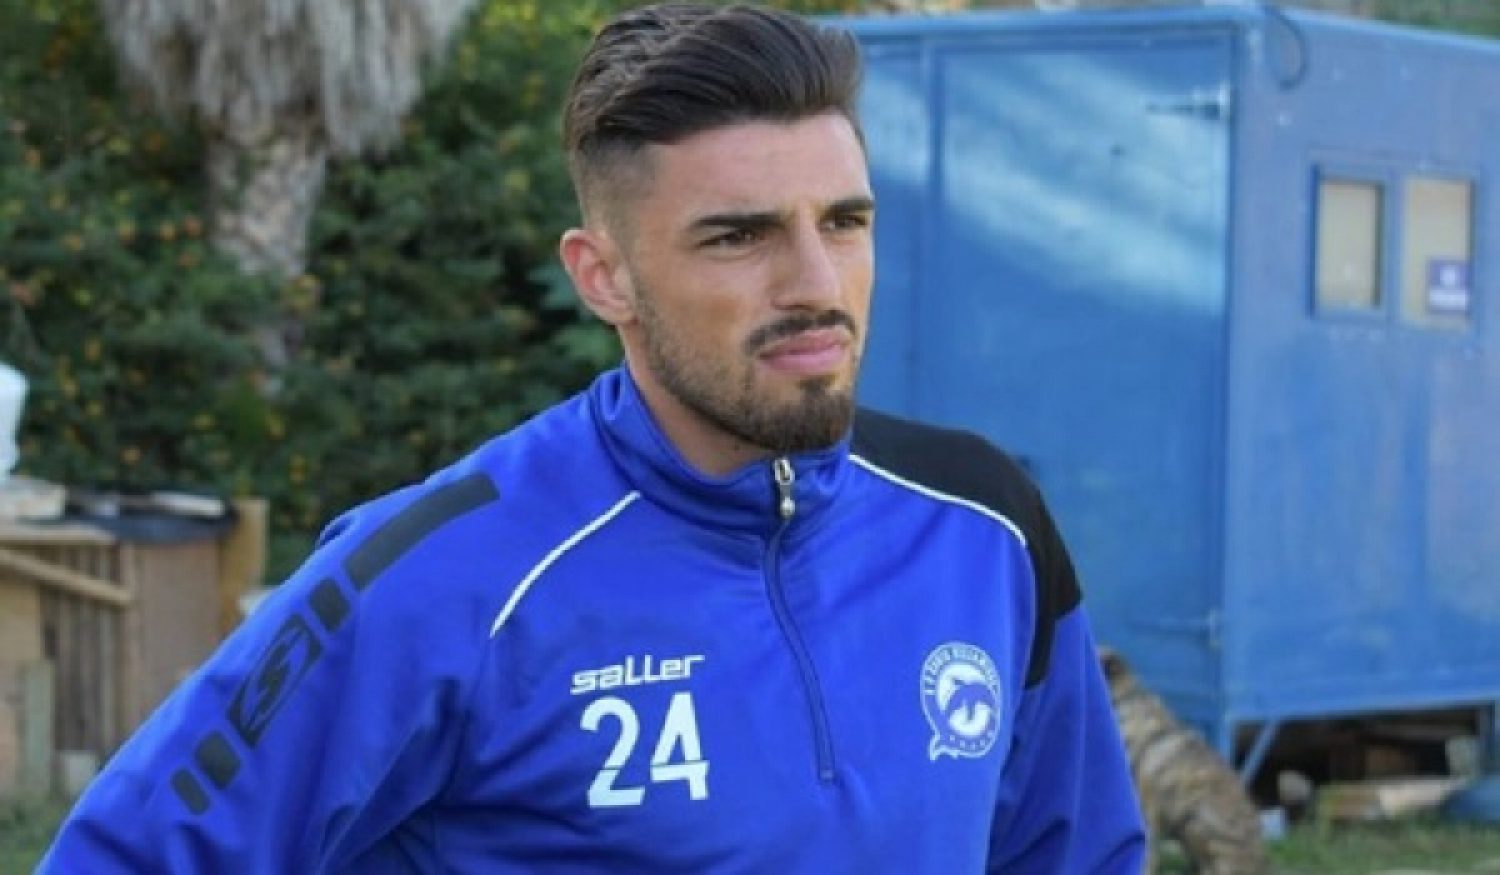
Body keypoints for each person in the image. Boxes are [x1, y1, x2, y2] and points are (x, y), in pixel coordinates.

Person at [42, 4, 1144, 872]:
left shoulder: (981, 523)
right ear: (603, 276)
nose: (817, 284)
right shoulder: (437, 578)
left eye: (845, 222)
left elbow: (1076, 851)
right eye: (738, 236)